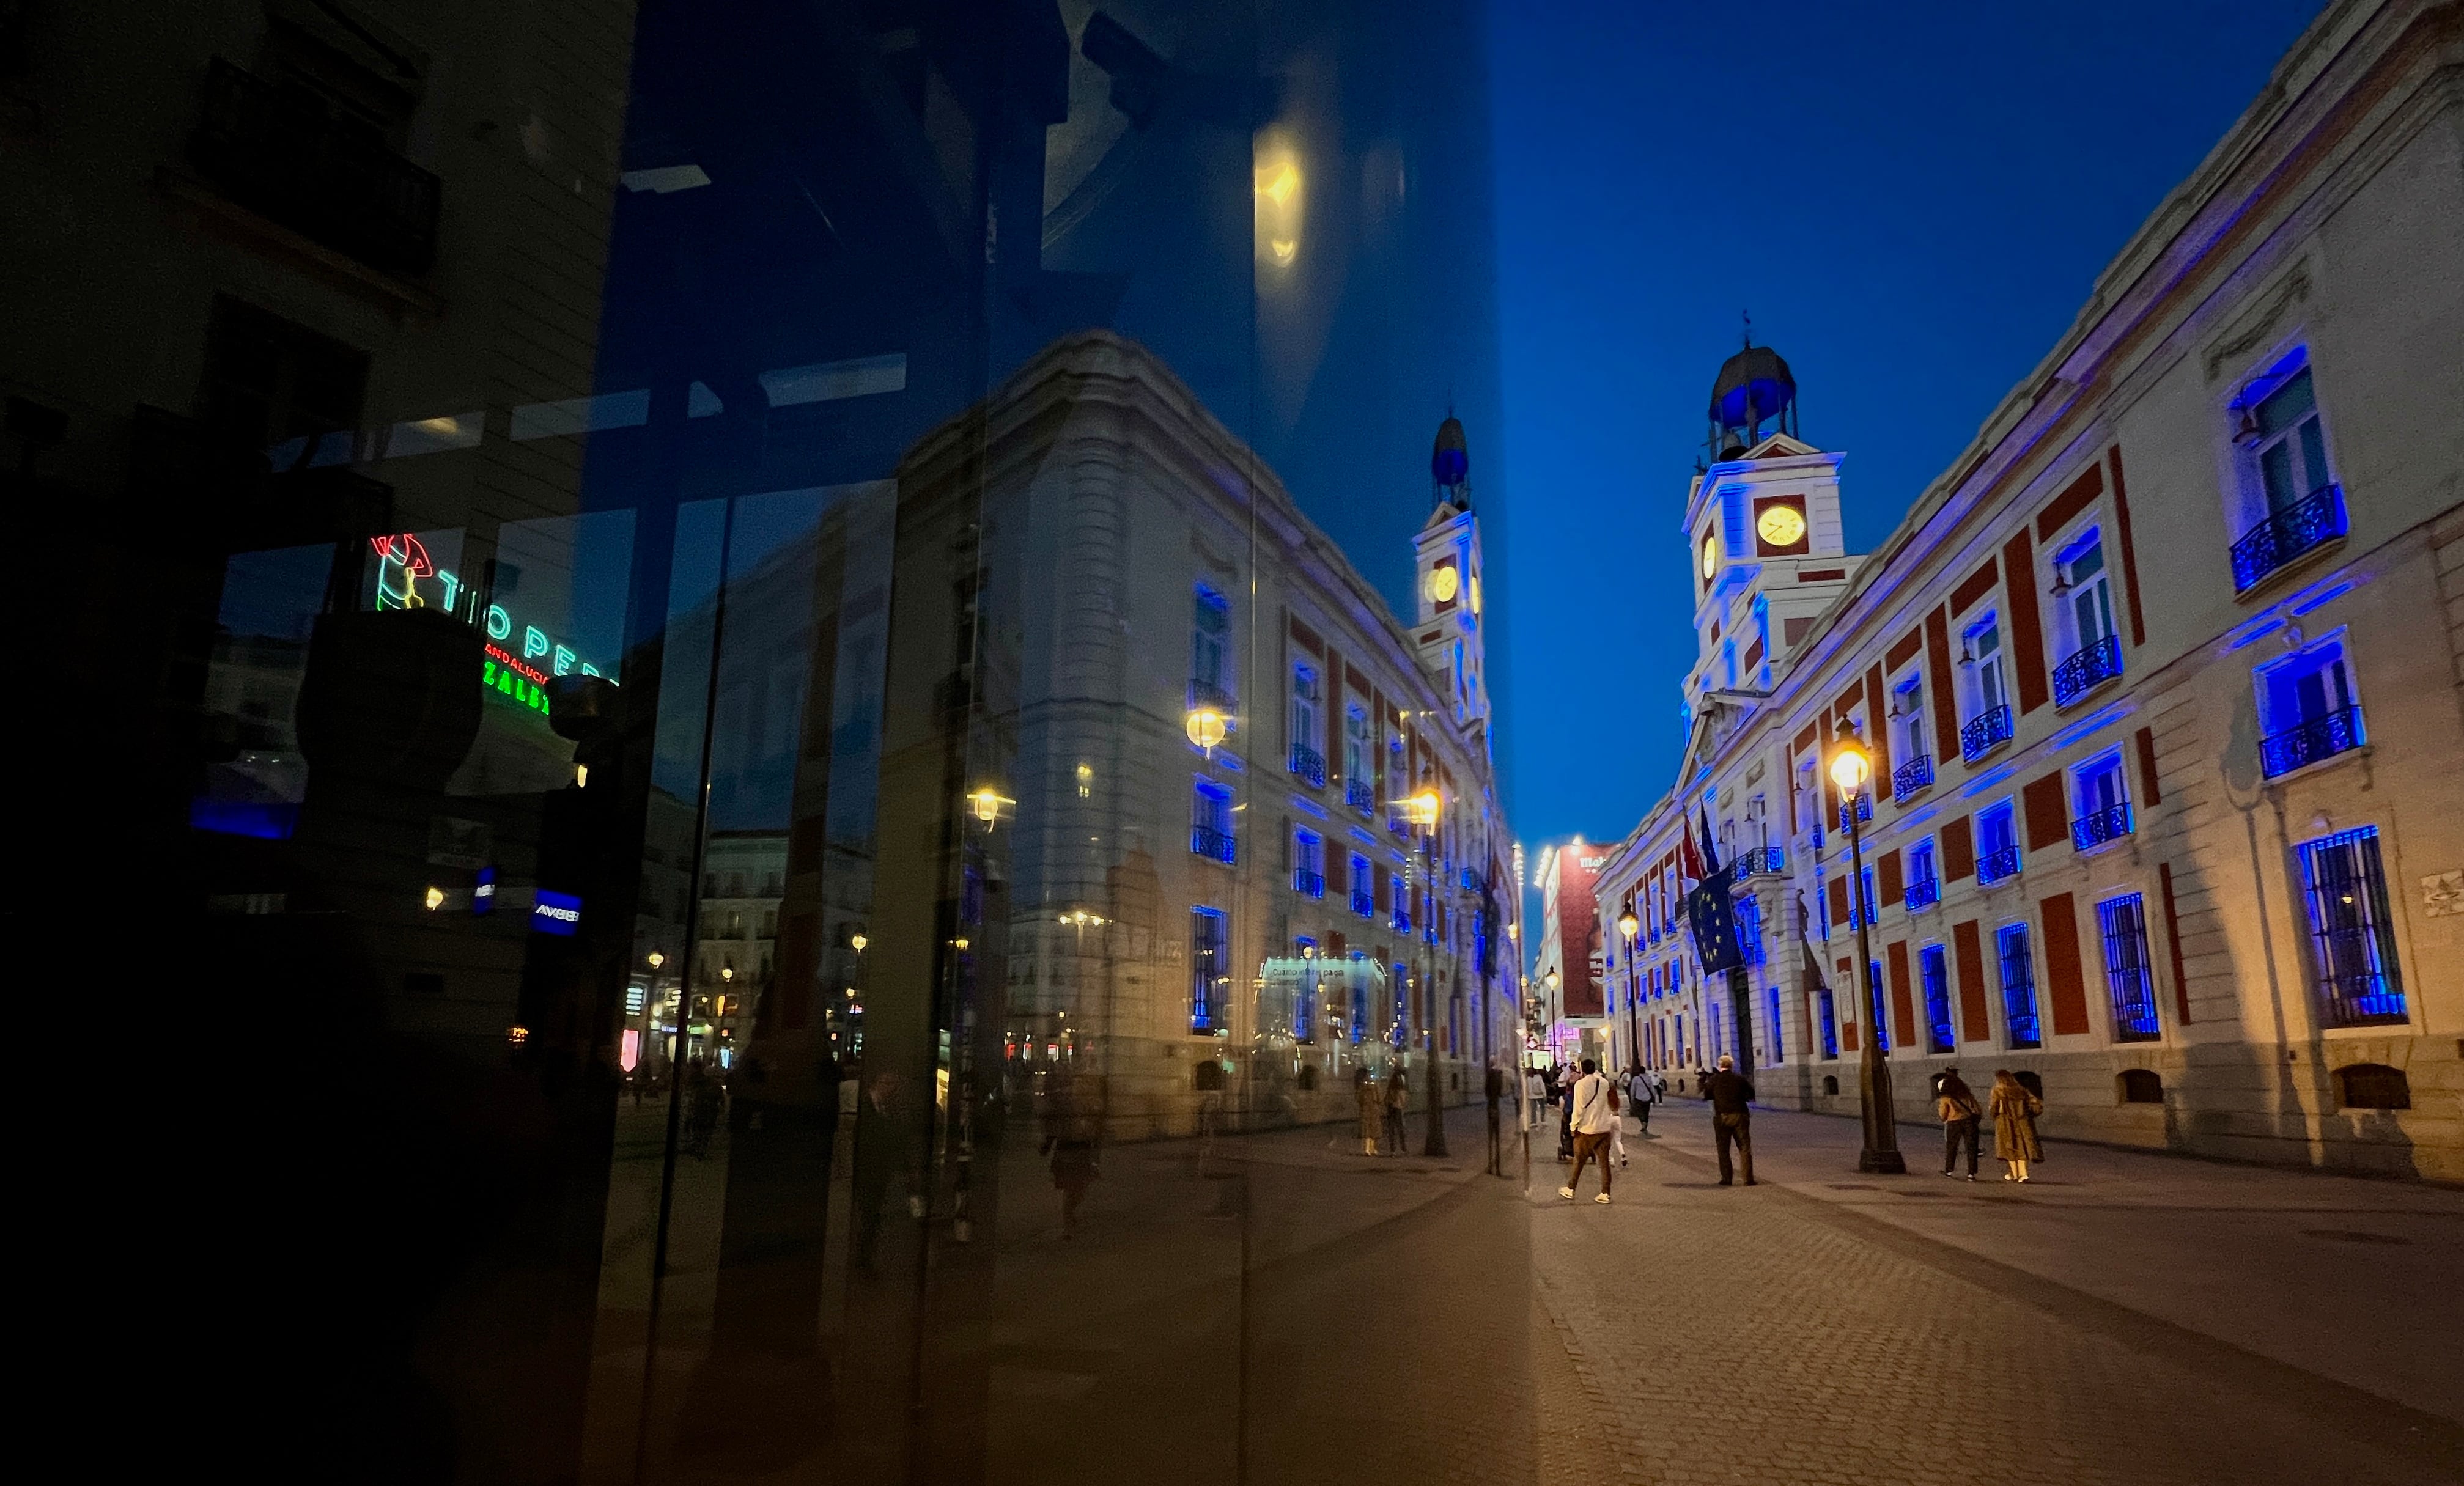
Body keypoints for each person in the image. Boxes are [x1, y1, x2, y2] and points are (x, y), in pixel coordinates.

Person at [1557, 1057, 1617, 1204]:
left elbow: (1579, 1108)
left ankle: (1571, 1189)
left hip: (1587, 1129)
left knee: (1579, 1161)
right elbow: (1611, 1104)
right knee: (1604, 1164)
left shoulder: (1580, 1084)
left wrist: (1573, 1126)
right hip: (1604, 1127)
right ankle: (1605, 1193)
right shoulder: (1605, 1083)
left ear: (1582, 1069)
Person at [1703, 1054, 1756, 1186]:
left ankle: (1726, 1178)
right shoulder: (1739, 1079)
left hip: (1722, 1116)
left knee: (1723, 1148)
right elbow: (1751, 1094)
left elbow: (1707, 1095)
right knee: (1744, 1147)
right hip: (1740, 1115)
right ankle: (1748, 1179)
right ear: (1731, 1066)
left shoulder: (1714, 1080)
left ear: (1720, 1066)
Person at [1990, 1069, 2043, 1182]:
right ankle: (2024, 1174)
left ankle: (2014, 1174)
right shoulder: (2021, 1090)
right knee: (2021, 1147)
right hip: (2022, 1122)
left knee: (2010, 1148)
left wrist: (1995, 1116)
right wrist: (2029, 1116)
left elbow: (1994, 1108)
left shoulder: (1998, 1091)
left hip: (2005, 1123)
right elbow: (2036, 1106)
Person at [1937, 1067, 1985, 1180]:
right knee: (1971, 1147)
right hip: (1969, 1121)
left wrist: (1945, 1119)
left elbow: (1943, 1113)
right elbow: (1978, 1109)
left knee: (1952, 1147)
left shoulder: (1946, 1098)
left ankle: (1949, 1170)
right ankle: (1971, 1174)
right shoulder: (1967, 1095)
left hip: (1953, 1122)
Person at [1355, 1065, 1383, 1156]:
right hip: (1374, 1108)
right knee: (1373, 1129)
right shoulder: (1375, 1085)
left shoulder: (1362, 1085)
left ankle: (1367, 1149)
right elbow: (1379, 1098)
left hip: (1366, 1109)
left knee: (1366, 1129)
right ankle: (1372, 1149)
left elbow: (1358, 1098)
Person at [1384, 1060, 1410, 1156]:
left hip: (1393, 1106)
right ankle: (1403, 1149)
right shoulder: (1403, 1080)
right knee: (1400, 1128)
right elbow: (1403, 1094)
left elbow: (1391, 1093)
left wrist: (1390, 1101)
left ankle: (1393, 1150)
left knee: (1392, 1129)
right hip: (1398, 1106)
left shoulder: (1394, 1080)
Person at [1626, 1062, 1659, 1138]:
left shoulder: (1636, 1079)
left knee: (1639, 1111)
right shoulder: (1648, 1078)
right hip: (1647, 1098)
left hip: (1639, 1098)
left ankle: (1643, 1122)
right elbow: (1652, 1089)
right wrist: (1654, 1097)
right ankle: (1645, 1124)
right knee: (1646, 1111)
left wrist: (1632, 1097)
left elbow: (1633, 1089)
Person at [1524, 1065, 1547, 1130]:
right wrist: (1545, 1094)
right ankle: (1543, 1120)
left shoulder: (1528, 1079)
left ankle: (1533, 1122)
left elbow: (1526, 1088)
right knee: (1542, 1108)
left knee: (1533, 1109)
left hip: (1531, 1096)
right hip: (1540, 1095)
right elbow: (1542, 1086)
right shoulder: (1539, 1077)